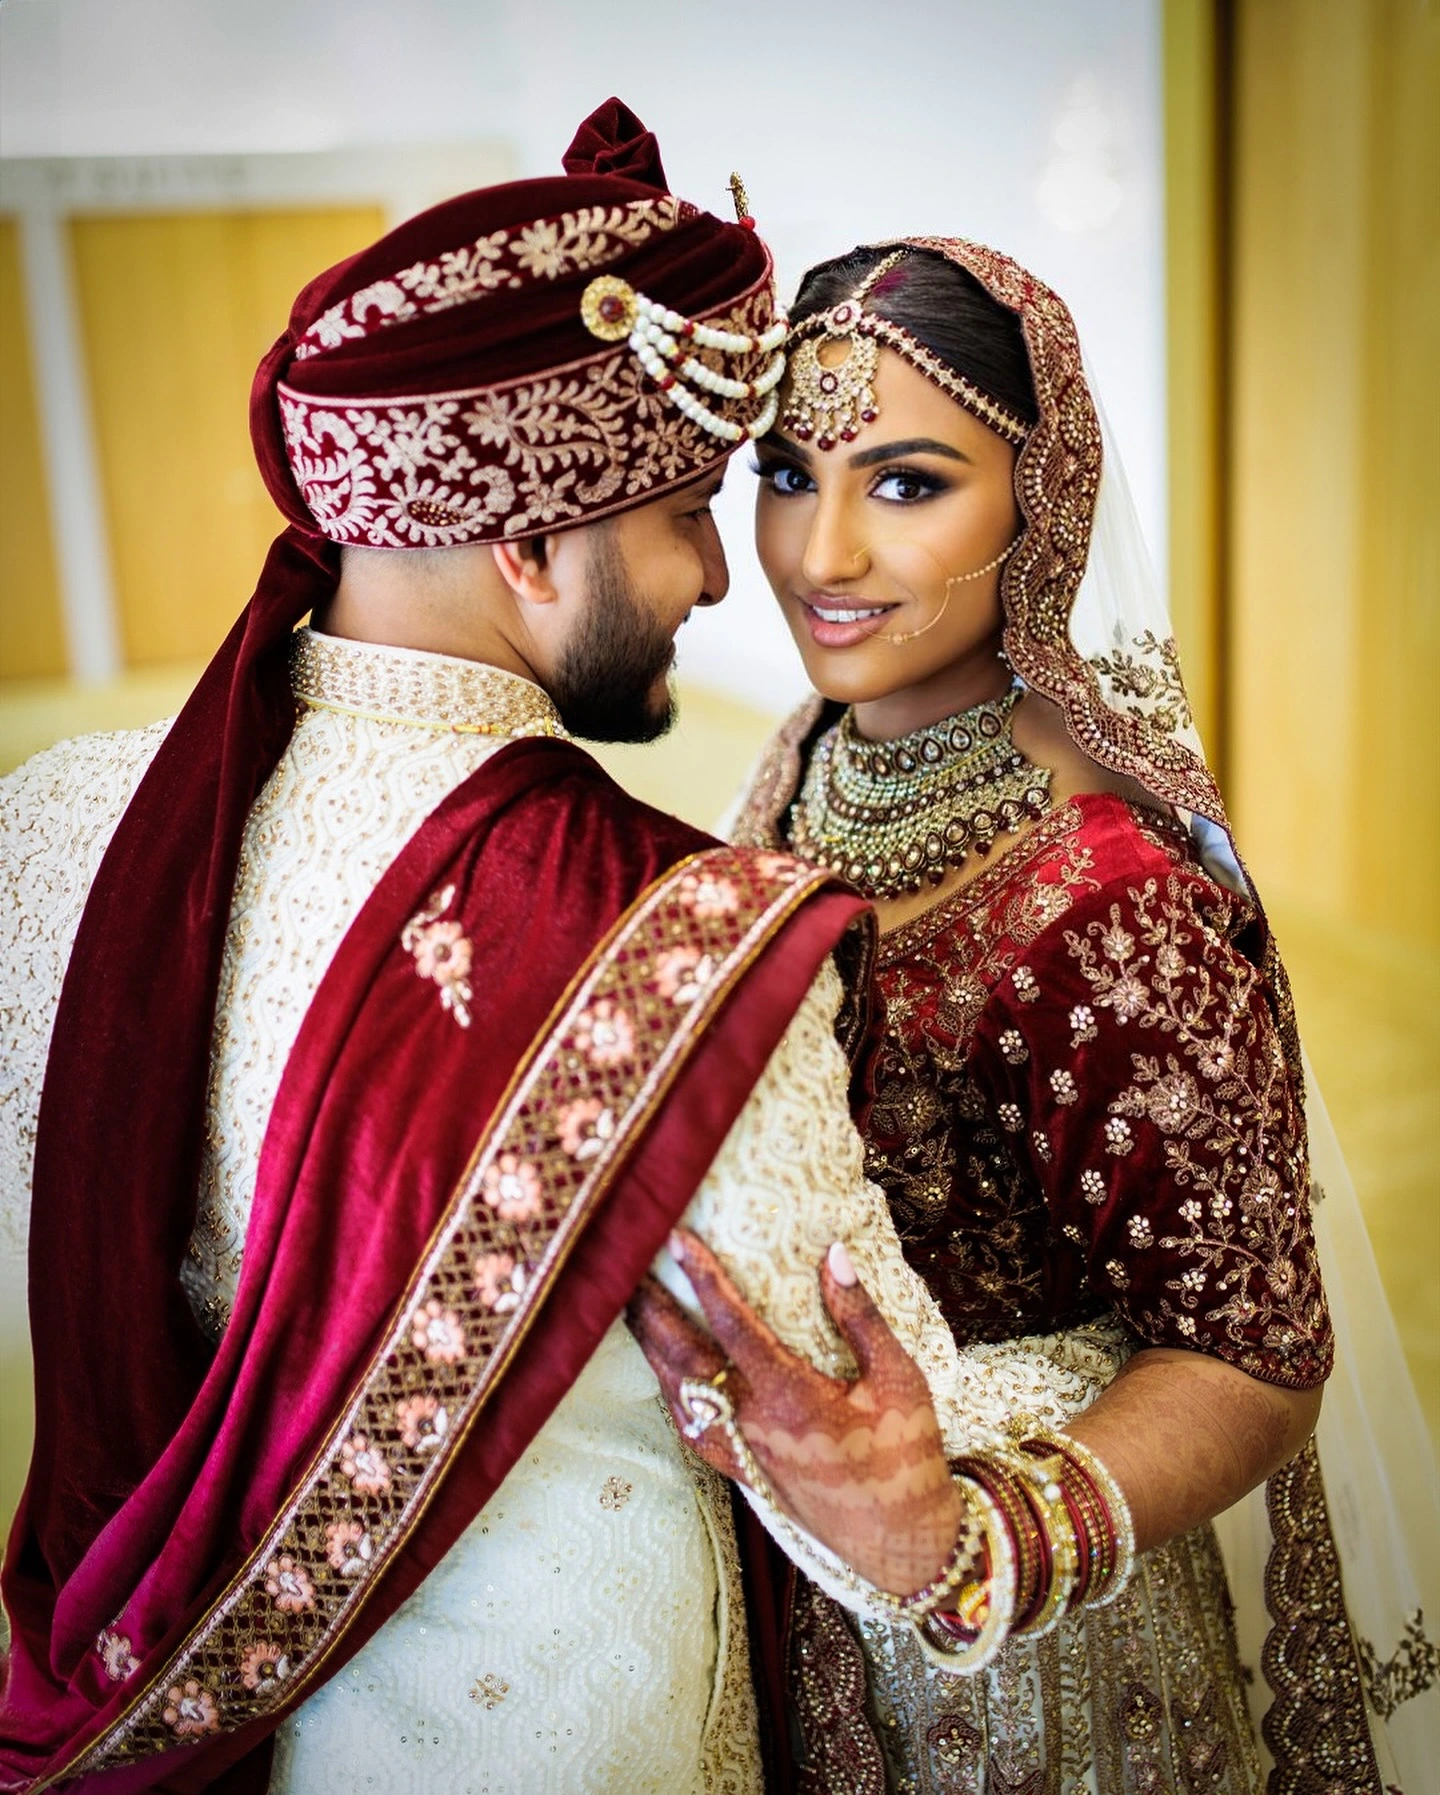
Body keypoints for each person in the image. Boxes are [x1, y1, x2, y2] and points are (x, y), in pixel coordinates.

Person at [0, 113, 1008, 1795]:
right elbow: (869, 1464)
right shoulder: (681, 953)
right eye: (687, 510)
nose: (713, 576)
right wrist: (1196, 1358)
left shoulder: (50, 822)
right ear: (528, 547)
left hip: (154, 1727)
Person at [633, 238, 1438, 1790]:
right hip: (819, 1593)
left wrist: (979, 1538)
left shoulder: (1111, 904)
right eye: (791, 475)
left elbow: (1257, 1352)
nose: (823, 554)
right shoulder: (812, 749)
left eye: (910, 483)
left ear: (1042, 507)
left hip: (1037, 1677)